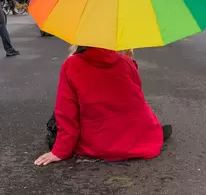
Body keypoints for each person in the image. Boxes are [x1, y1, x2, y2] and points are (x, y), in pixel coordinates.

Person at [34, 46, 170, 166]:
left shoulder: (71, 65)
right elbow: (135, 95)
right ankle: (150, 134)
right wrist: (129, 61)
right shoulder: (125, 61)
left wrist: (60, 151)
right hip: (136, 138)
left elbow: (67, 113)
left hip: (98, 144)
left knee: (59, 115)